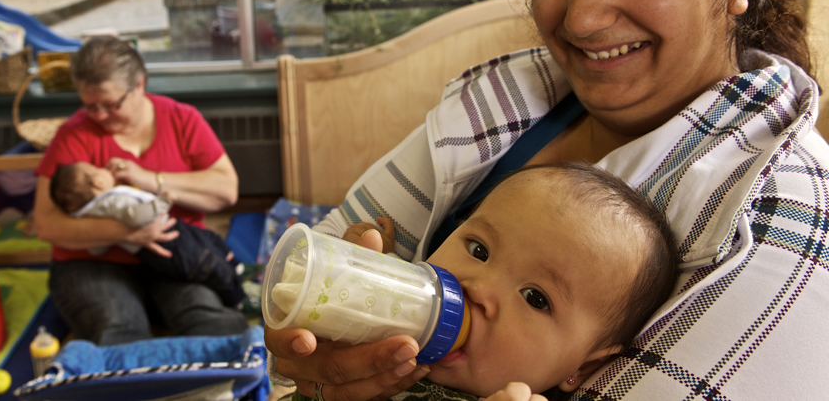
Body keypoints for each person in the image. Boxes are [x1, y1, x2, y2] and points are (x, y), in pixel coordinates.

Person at [265, 0, 828, 400]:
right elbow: (317, 269)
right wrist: (320, 351)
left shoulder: (781, 216)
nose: (581, 17)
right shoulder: (505, 103)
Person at [288, 163, 677, 401]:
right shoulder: (385, 333)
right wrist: (363, 275)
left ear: (585, 366)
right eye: (478, 250)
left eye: (535, 298)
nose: (478, 288)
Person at [33, 37, 248, 346]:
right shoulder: (73, 134)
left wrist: (150, 179)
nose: (99, 115)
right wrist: (127, 232)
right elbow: (46, 223)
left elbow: (226, 190)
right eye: (89, 106)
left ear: (139, 84)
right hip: (92, 263)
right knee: (118, 329)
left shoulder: (181, 118)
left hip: (175, 254)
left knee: (210, 322)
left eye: (110, 105)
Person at [49, 161, 246, 307]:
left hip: (169, 235)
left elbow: (97, 248)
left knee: (209, 240)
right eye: (97, 168)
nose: (102, 169)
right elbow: (136, 216)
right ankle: (238, 298)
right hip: (169, 242)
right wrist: (164, 201)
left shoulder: (93, 214)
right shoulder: (111, 202)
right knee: (206, 263)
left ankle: (236, 268)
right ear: (98, 182)